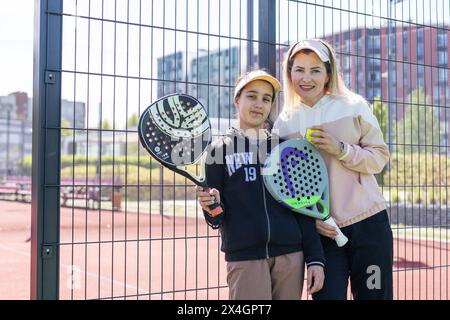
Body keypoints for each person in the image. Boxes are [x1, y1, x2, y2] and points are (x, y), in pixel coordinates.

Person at [273, 39, 393, 300]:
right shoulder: (282, 124)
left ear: (329, 73)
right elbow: (285, 189)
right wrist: (312, 220)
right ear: (289, 72)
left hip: (368, 226)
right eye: (299, 69)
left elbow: (380, 157)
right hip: (323, 234)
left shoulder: (353, 105)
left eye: (316, 70)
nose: (306, 78)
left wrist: (341, 149)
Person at [197, 69, 325, 300]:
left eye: (266, 99)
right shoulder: (218, 151)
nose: (259, 104)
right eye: (251, 96)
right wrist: (211, 207)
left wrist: (315, 259)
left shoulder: (286, 149)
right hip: (245, 258)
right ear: (237, 99)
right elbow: (216, 217)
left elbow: (303, 207)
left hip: (291, 255)